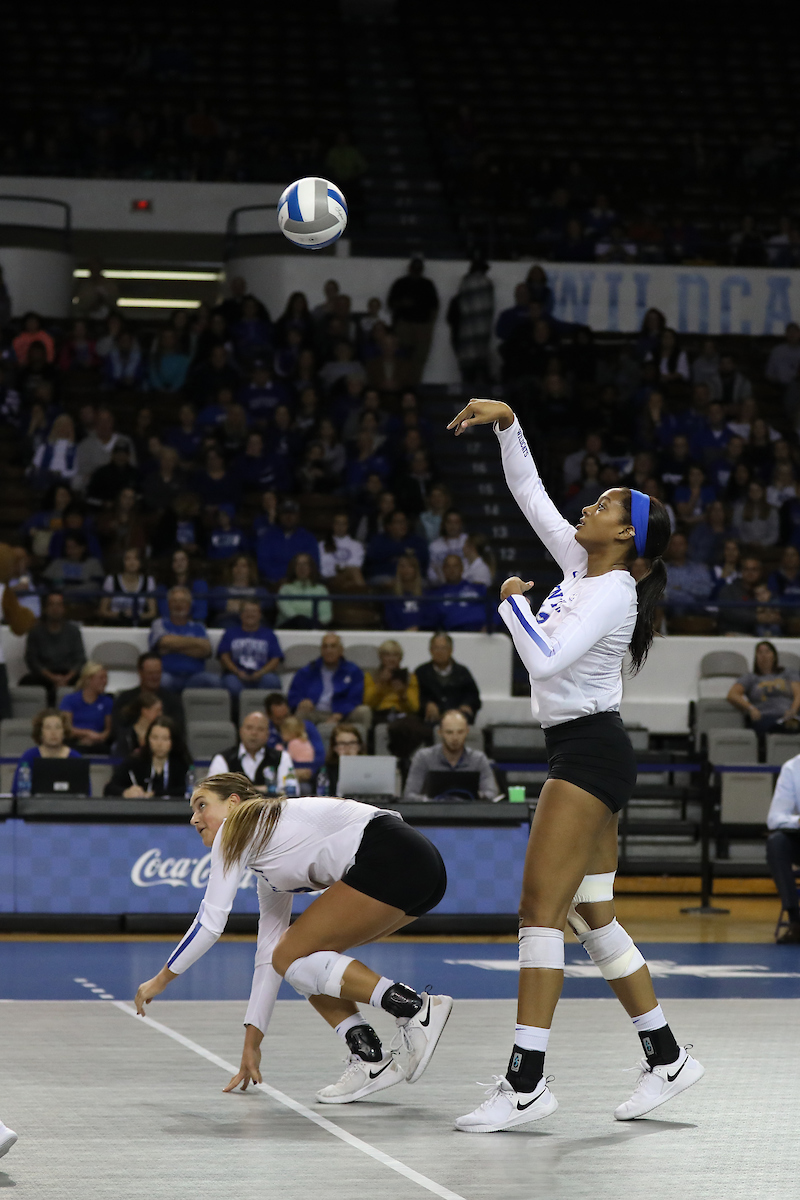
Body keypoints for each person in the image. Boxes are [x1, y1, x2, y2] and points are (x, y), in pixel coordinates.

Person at [446, 397, 701, 1133]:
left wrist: (511, 605)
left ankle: (526, 1082)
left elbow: (545, 658)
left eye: (606, 504)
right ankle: (668, 1058)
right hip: (587, 750)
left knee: (539, 913)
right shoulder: (582, 567)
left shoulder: (614, 591)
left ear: (626, 535)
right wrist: (509, 424)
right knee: (593, 916)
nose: (588, 506)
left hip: (589, 755)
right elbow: (530, 496)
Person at [134, 773, 452, 1105]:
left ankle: (415, 1008)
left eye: (202, 805)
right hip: (421, 867)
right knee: (298, 958)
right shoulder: (267, 854)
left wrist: (161, 979)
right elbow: (268, 957)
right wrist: (252, 1042)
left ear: (233, 803)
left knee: (292, 954)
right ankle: (369, 1056)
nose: (194, 818)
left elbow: (211, 923)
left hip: (394, 855)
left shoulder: (236, 827)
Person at [286, 633, 371, 742]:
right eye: (325, 647)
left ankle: (363, 747)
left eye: (333, 646)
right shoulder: (308, 671)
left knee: (364, 711)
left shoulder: (353, 671)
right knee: (300, 712)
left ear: (341, 650)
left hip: (344, 713)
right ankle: (298, 749)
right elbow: (292, 696)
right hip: (316, 712)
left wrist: (339, 714)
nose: (329, 650)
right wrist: (301, 701)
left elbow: (356, 698)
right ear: (321, 650)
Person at [403, 709, 497, 803]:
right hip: (432, 810)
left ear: (467, 731)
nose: (455, 738)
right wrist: (432, 802)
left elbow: (492, 794)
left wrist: (475, 797)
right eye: (449, 732)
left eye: (460, 732)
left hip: (470, 811)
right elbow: (409, 795)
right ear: (440, 732)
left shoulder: (479, 759)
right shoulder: (423, 757)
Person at [20, 592, 86, 706]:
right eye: (52, 604)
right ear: (45, 608)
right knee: (26, 681)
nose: (55, 608)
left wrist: (66, 678)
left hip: (69, 675)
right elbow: (32, 660)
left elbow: (80, 659)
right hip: (44, 676)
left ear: (64, 608)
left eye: (59, 605)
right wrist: (53, 678)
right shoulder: (35, 632)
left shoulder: (73, 631)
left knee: (86, 681)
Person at [148, 586, 218, 692]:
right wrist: (196, 643)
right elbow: (163, 642)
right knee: (162, 681)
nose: (178, 605)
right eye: (174, 601)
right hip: (168, 674)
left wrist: (172, 647)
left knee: (214, 681)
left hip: (195, 676)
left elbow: (206, 650)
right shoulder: (159, 623)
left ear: (189, 605)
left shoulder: (199, 627)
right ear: (168, 604)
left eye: (183, 601)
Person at [727, 641, 800, 737]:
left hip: (787, 715)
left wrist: (793, 710)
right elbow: (732, 694)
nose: (763, 655)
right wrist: (750, 708)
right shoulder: (750, 677)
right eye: (760, 652)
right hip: (764, 716)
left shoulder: (787, 673)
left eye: (767, 652)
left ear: (774, 656)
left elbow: (798, 693)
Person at [105, 716, 190, 798]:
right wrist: (125, 792)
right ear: (148, 739)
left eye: (165, 739)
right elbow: (109, 789)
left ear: (173, 741)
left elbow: (188, 790)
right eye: (155, 738)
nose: (159, 744)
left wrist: (155, 795)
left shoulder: (182, 765)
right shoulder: (134, 763)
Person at [217, 600, 283, 707]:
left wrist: (261, 673)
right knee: (231, 685)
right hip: (236, 676)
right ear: (240, 614)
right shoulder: (230, 633)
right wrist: (237, 672)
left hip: (262, 676)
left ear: (260, 615)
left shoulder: (269, 635)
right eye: (246, 611)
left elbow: (275, 659)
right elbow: (224, 657)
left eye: (254, 611)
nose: (250, 614)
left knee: (272, 681)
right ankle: (238, 714)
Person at [208, 711, 292, 791]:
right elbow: (214, 792)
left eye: (260, 729)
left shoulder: (282, 757)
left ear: (267, 734)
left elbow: (288, 791)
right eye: (249, 728)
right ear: (241, 731)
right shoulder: (222, 759)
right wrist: (262, 790)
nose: (254, 733)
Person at [386, 258, 439, 383]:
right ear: (409, 269)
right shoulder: (401, 283)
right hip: (404, 324)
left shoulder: (427, 284)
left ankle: (414, 386)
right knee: (401, 355)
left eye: (418, 269)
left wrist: (430, 324)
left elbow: (434, 307)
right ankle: (400, 384)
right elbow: (391, 303)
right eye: (414, 268)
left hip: (423, 325)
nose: (416, 271)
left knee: (419, 358)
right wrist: (402, 304)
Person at [765, 753, 800, 944]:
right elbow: (775, 818)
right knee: (777, 843)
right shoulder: (793, 768)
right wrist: (798, 821)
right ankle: (795, 920)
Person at [112, 652, 185, 742]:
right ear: (140, 672)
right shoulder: (125, 699)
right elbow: (117, 728)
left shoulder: (173, 700)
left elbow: (178, 730)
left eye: (158, 672)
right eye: (150, 673)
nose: (154, 677)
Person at [12, 708, 84, 795]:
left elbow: (85, 794)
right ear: (40, 732)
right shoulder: (29, 757)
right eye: (48, 728)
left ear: (64, 732)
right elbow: (18, 792)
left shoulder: (75, 758)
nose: (53, 733)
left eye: (58, 727)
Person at [415, 632, 481, 725]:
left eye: (443, 648)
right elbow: (415, 695)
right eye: (436, 648)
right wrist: (426, 704)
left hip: (457, 718)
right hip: (431, 720)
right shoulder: (421, 672)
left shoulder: (462, 672)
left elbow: (473, 695)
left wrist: (466, 704)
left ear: (450, 650)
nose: (440, 652)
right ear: (430, 650)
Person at [256, 499, 319, 585]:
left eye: (292, 514)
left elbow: (313, 563)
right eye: (285, 513)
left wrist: (292, 579)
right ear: (279, 516)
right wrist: (278, 578)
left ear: (298, 516)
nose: (288, 517)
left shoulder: (308, 538)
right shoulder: (268, 536)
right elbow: (263, 563)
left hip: (301, 583)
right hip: (273, 583)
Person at [264, 692, 325, 780]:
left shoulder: (306, 727)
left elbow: (320, 755)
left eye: (286, 716)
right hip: (278, 776)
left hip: (308, 774)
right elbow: (269, 761)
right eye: (279, 718)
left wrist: (309, 770)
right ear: (269, 716)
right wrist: (292, 771)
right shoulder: (265, 732)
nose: (284, 721)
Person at [59, 661, 113, 750]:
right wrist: (87, 733)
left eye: (106, 678)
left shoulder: (107, 701)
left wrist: (98, 737)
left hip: (98, 744)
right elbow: (66, 728)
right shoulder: (69, 700)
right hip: (72, 743)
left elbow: (108, 730)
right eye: (101, 678)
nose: (105, 681)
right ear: (88, 679)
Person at [99, 547, 157, 626]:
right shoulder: (111, 580)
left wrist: (137, 615)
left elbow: (152, 612)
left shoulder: (149, 580)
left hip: (139, 625)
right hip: (115, 625)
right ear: (122, 562)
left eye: (136, 558)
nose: (132, 562)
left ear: (141, 562)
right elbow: (102, 611)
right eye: (127, 559)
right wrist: (121, 614)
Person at [431, 555, 487, 632]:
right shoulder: (436, 594)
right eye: (448, 567)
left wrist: (490, 624)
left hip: (484, 632)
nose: (452, 570)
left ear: (462, 568)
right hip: (455, 633)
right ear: (443, 569)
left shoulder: (478, 589)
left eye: (455, 566)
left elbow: (495, 609)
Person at [275, 553, 332, 629]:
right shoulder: (285, 589)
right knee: (300, 621)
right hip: (289, 628)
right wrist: (304, 622)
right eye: (298, 564)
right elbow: (289, 614)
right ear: (293, 568)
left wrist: (313, 625)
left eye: (305, 564)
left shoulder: (321, 589)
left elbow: (326, 616)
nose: (302, 568)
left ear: (311, 568)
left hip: (314, 628)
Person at [112, 690, 163, 758]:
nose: (160, 714)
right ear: (145, 711)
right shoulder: (128, 737)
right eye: (157, 710)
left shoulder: (162, 734)